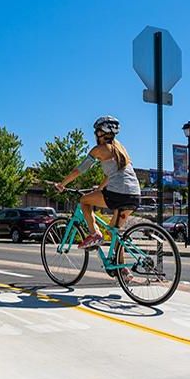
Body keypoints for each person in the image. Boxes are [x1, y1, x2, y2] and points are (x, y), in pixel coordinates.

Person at [55, 116, 141, 278]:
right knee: (115, 231)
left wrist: (62, 184)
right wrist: (100, 188)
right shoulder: (120, 148)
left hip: (118, 193)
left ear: (101, 133)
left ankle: (95, 233)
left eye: (96, 131)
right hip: (134, 194)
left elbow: (79, 170)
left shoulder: (99, 149)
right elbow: (113, 174)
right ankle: (121, 267)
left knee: (84, 201)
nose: (95, 134)